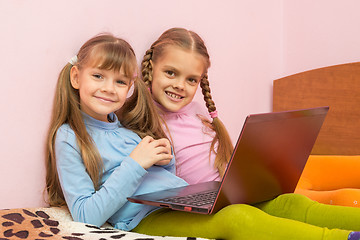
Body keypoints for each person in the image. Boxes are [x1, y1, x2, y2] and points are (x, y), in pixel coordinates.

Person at [136, 27, 360, 240]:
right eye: (170, 73)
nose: (180, 86)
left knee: (291, 202)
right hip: (168, 212)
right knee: (239, 217)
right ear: (151, 67)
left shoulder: (196, 112)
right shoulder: (137, 116)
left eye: (191, 80)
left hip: (217, 197)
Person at [45, 33, 188, 231]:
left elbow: (160, 184)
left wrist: (165, 160)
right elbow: (86, 216)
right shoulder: (70, 137)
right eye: (98, 76)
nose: (109, 88)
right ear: (76, 77)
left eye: (120, 82)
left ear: (130, 87)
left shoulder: (129, 132)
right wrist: (136, 163)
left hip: (181, 203)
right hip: (146, 217)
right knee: (240, 219)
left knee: (240, 205)